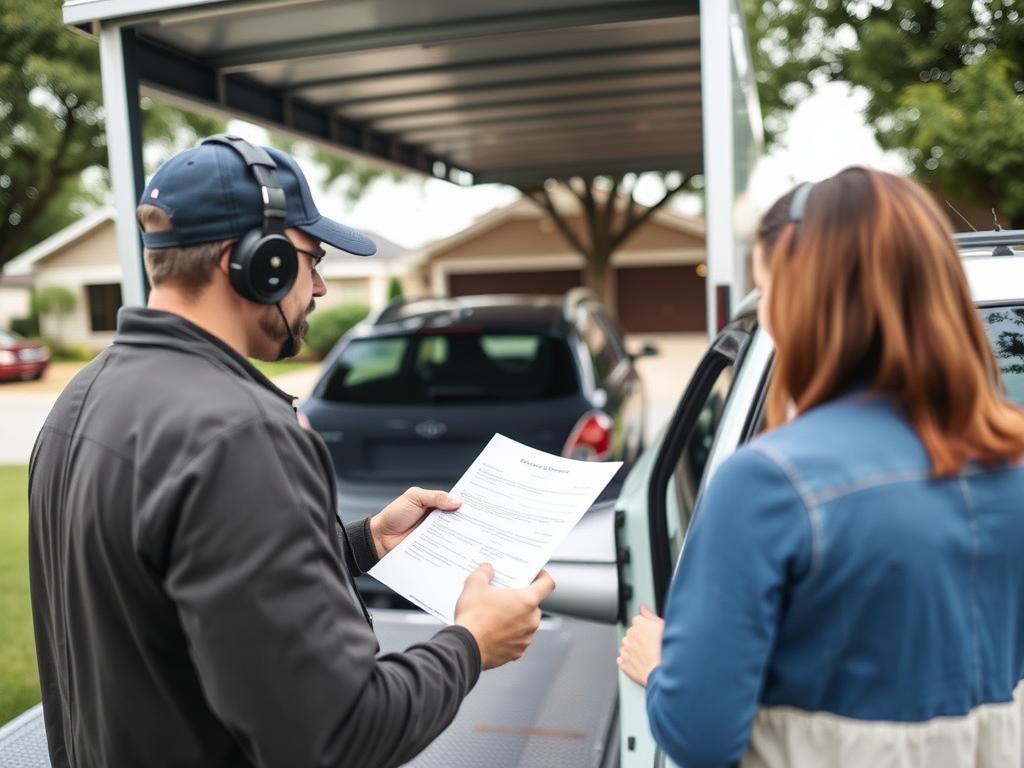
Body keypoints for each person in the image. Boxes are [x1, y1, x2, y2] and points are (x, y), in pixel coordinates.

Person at [28, 135, 554, 768]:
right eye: (313, 259)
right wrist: (472, 642)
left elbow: (172, 584)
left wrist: (362, 545)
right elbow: (336, 736)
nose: (323, 287)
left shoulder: (82, 397)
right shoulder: (239, 433)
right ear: (258, 262)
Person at [617, 167, 1024, 767]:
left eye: (768, 290)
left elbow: (701, 737)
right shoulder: (1010, 456)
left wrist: (658, 668)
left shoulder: (767, 483)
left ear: (805, 300)